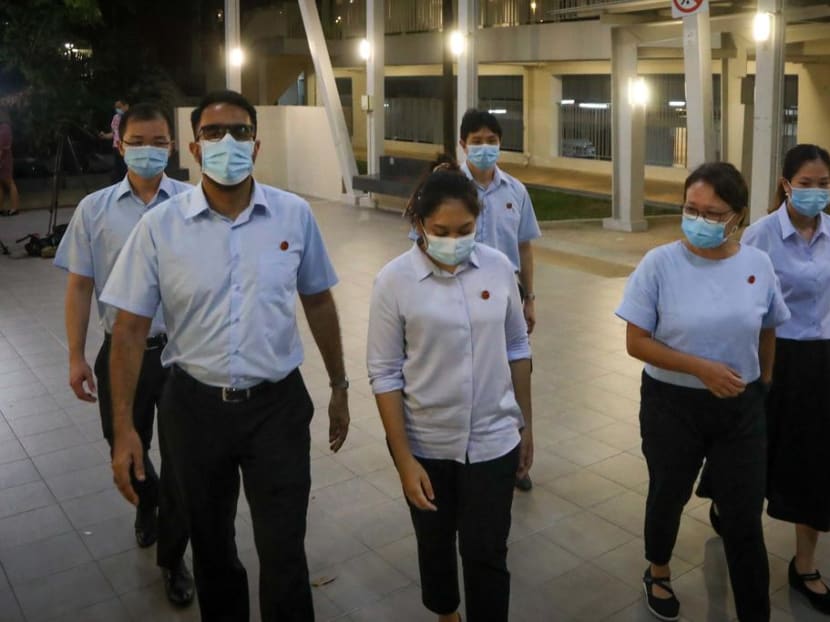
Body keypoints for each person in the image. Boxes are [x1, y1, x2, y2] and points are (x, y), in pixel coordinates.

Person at [101, 90, 350, 622]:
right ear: (193, 148)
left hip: (277, 408)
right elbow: (127, 331)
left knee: (284, 548)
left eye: (239, 132)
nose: (227, 142)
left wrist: (339, 386)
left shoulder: (293, 216)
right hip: (194, 410)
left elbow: (319, 301)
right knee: (213, 550)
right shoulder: (160, 228)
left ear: (256, 146)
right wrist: (125, 428)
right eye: (214, 133)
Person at [615, 162, 790, 622]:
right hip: (672, 405)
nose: (700, 221)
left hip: (740, 407)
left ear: (737, 216)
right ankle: (658, 569)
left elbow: (770, 326)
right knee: (668, 493)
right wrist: (701, 369)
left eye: (713, 214)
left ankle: (755, 612)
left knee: (744, 516)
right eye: (691, 209)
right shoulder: (660, 263)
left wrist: (762, 381)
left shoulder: (756, 263)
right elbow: (637, 342)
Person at [368, 160, 533, 622]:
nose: (455, 241)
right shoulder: (394, 281)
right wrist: (404, 460)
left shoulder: (498, 268)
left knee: (487, 550)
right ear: (419, 223)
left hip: (494, 439)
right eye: (442, 230)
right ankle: (446, 613)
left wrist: (526, 425)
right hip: (428, 444)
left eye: (466, 229)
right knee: (435, 542)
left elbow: (517, 345)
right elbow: (384, 373)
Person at [54, 102, 194, 606]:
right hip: (121, 353)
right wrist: (75, 355)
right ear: (119, 145)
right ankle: (147, 501)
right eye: (138, 141)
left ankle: (173, 559)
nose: (150, 150)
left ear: (172, 146)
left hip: (182, 355)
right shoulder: (95, 209)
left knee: (182, 460)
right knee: (123, 440)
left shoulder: (191, 203)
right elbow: (79, 287)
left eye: (159, 142)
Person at [701, 145, 830, 614]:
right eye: (807, 183)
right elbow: (735, 295)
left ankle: (806, 563)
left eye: (824, 184)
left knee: (813, 462)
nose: (816, 192)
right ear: (786, 183)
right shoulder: (760, 237)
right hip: (770, 356)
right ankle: (727, 503)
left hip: (821, 364)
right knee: (752, 451)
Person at [99, 99, 129, 181]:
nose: (117, 109)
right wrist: (104, 136)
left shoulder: (131, 118)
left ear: (126, 106)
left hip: (127, 147)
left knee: (125, 168)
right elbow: (113, 133)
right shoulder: (116, 118)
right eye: (116, 107)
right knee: (118, 169)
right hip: (116, 147)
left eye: (119, 107)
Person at [0, 107, 20, 217]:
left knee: (9, 182)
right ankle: (1, 208)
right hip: (2, 158)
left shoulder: (5, 128)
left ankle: (15, 208)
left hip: (4, 159)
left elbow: (3, 147)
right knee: (0, 184)